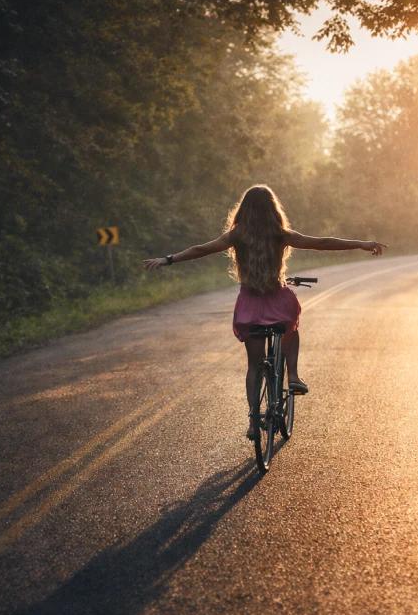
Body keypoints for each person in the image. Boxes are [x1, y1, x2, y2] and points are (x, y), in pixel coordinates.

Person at [142, 185, 386, 439]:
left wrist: (168, 259)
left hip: (250, 305)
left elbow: (201, 249)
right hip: (278, 302)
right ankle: (292, 375)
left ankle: (252, 419)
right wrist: (362, 243)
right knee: (292, 327)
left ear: (243, 210)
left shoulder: (237, 236)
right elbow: (322, 242)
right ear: (273, 209)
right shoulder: (280, 234)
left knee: (254, 366)